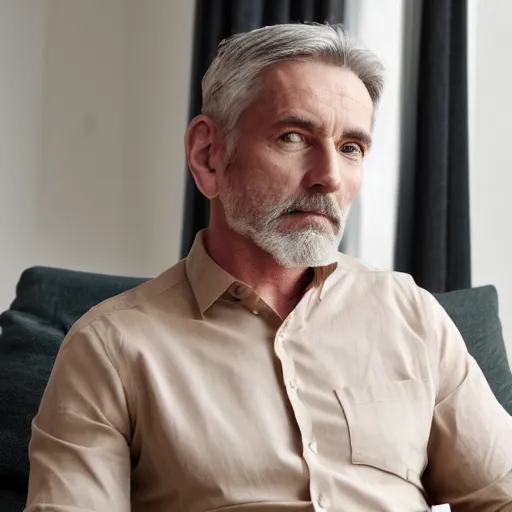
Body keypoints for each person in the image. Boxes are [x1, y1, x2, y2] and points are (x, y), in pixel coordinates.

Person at [25, 23, 511, 512]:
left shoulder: (412, 316)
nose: (328, 177)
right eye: (294, 137)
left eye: (350, 148)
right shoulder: (109, 350)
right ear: (209, 155)